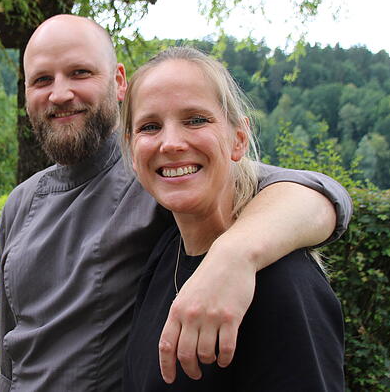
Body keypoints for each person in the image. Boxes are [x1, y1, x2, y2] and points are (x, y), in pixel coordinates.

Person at [0, 15, 351, 391]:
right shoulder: (20, 204)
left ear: (119, 81)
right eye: (41, 80)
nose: (60, 93)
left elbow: (317, 193)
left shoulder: (160, 176)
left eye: (80, 72)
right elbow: (11, 355)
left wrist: (234, 255)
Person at [121, 47, 344, 390]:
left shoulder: (284, 283)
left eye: (195, 120)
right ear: (133, 153)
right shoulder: (167, 252)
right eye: (150, 126)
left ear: (238, 139)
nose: (171, 143)